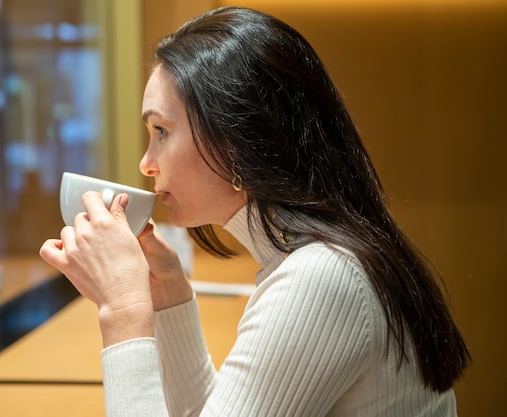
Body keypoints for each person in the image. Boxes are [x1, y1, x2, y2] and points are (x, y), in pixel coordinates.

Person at [40, 6, 470, 416]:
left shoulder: (320, 279)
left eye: (161, 131)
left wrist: (123, 310)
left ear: (238, 139)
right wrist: (165, 297)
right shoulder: (316, 260)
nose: (146, 162)